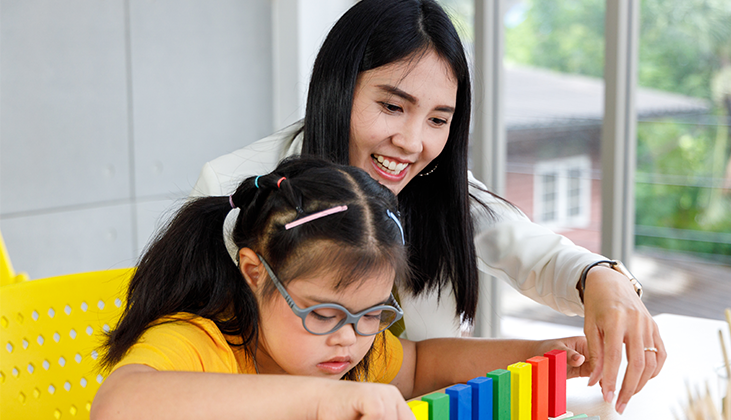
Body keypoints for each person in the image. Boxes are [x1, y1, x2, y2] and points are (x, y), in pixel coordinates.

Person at [191, 0, 665, 413]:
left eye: (439, 119)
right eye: (393, 107)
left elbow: (534, 256)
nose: (412, 143)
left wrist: (603, 279)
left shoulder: (436, 184)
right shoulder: (239, 188)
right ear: (337, 90)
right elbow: (199, 379)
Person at [91, 157, 590, 420]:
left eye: (372, 314)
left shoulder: (346, 345)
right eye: (322, 313)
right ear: (254, 272)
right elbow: (118, 405)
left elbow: (419, 367)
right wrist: (319, 401)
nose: (349, 339)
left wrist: (537, 352)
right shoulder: (201, 342)